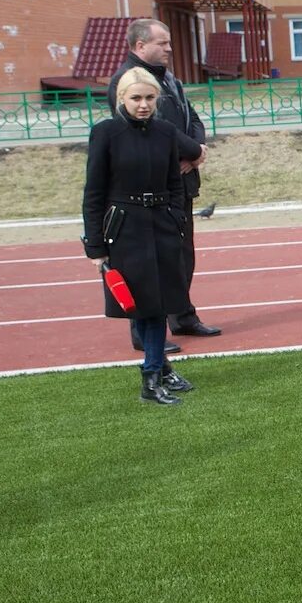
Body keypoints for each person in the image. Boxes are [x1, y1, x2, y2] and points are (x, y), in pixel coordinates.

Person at [82, 68, 198, 405]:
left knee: (162, 301)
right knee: (145, 305)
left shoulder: (165, 132)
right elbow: (94, 191)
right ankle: (151, 378)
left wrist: (176, 219)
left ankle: (160, 369)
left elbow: (175, 182)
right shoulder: (105, 133)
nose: (143, 104)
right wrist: (95, 245)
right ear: (122, 99)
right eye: (136, 98)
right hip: (126, 229)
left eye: (149, 98)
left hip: (162, 225)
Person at [108, 19, 218, 352]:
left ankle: (182, 316)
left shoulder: (169, 79)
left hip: (179, 182)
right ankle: (143, 331)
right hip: (149, 185)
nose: (169, 48)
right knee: (147, 260)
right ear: (140, 46)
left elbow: (192, 119)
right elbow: (149, 127)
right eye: (162, 43)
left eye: (169, 42)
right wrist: (191, 152)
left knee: (181, 254)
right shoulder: (128, 82)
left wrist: (197, 151)